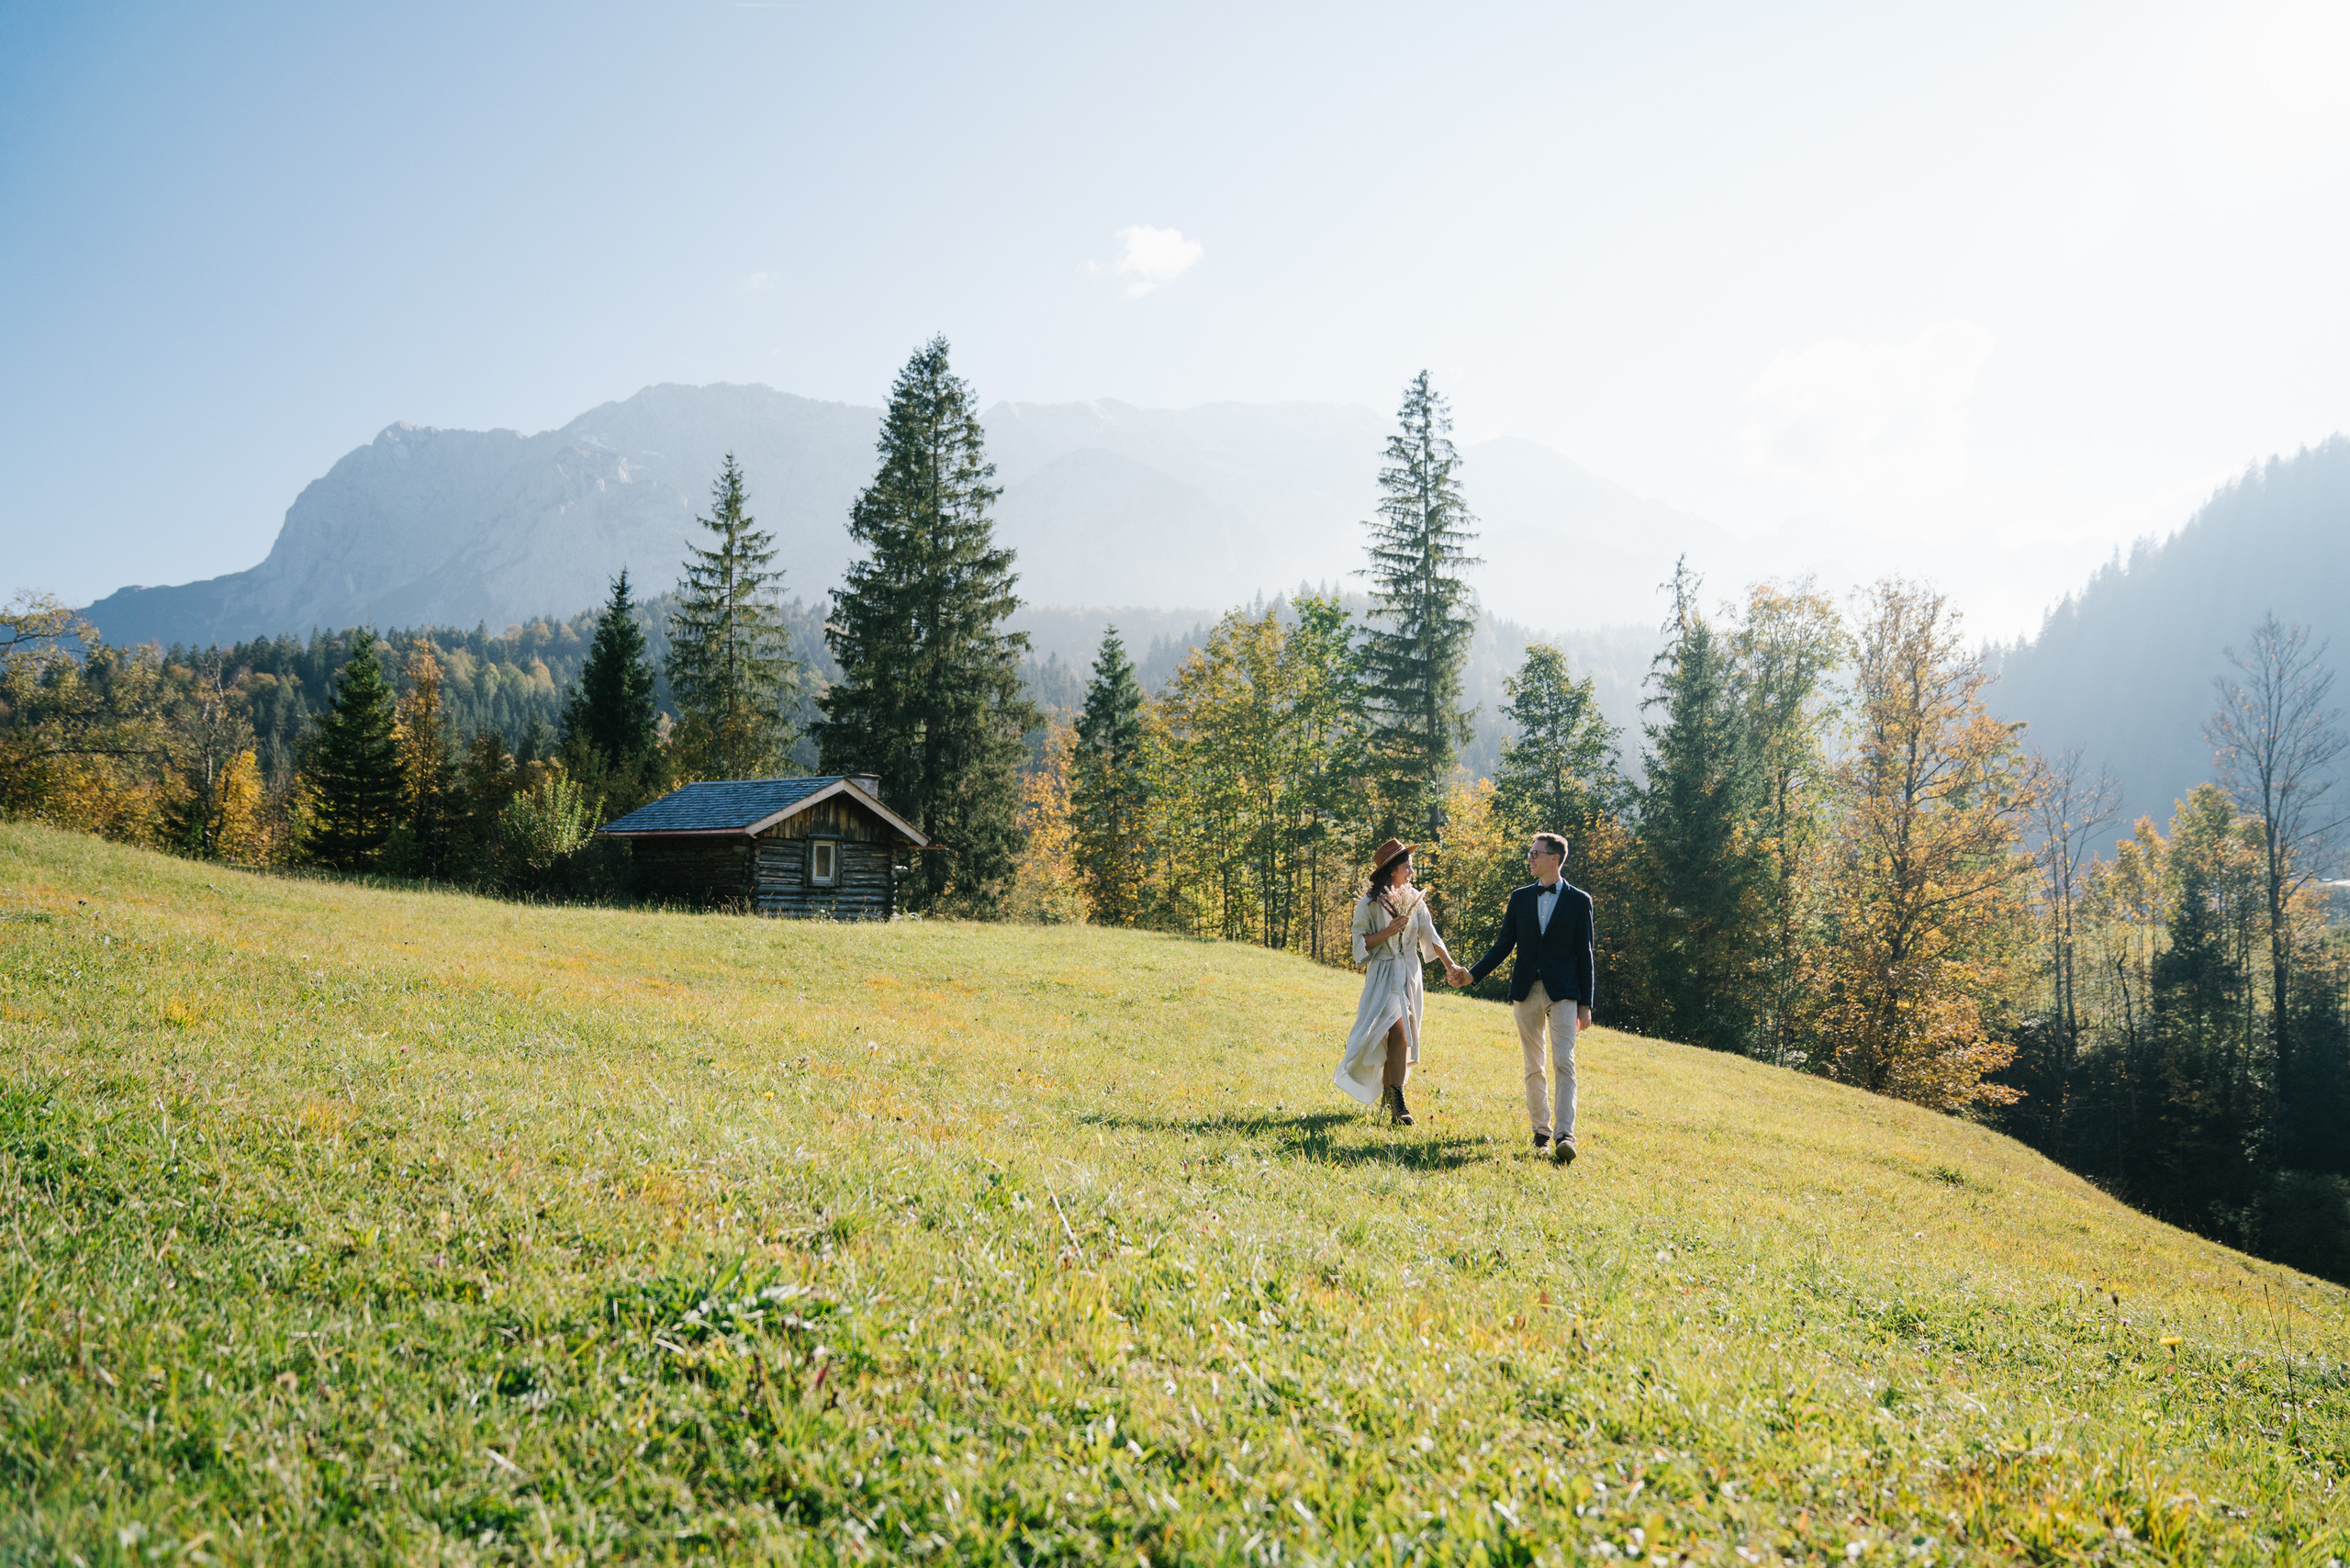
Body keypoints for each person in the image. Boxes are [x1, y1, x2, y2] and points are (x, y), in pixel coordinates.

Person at [1451, 830, 1595, 1164]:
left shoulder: (1579, 901)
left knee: (1564, 1062)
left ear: (1555, 859)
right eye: (1529, 853)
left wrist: (1586, 1004)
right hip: (1526, 991)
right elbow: (1503, 945)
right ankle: (1541, 1133)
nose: (1529, 859)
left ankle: (1565, 1134)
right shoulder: (1520, 898)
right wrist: (1472, 975)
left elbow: (1585, 954)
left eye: (1536, 854)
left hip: (1565, 994)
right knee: (1534, 1064)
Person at [1336, 838, 1471, 1124]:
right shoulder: (1369, 905)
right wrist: (1386, 932)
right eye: (1407, 868)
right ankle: (1399, 1102)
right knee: (1399, 1033)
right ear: (1392, 871)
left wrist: (1451, 966)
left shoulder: (1415, 902)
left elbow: (1431, 936)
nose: (1412, 873)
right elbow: (1358, 946)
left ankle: (1391, 1095)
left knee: (1399, 1037)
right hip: (1383, 975)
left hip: (1409, 974)